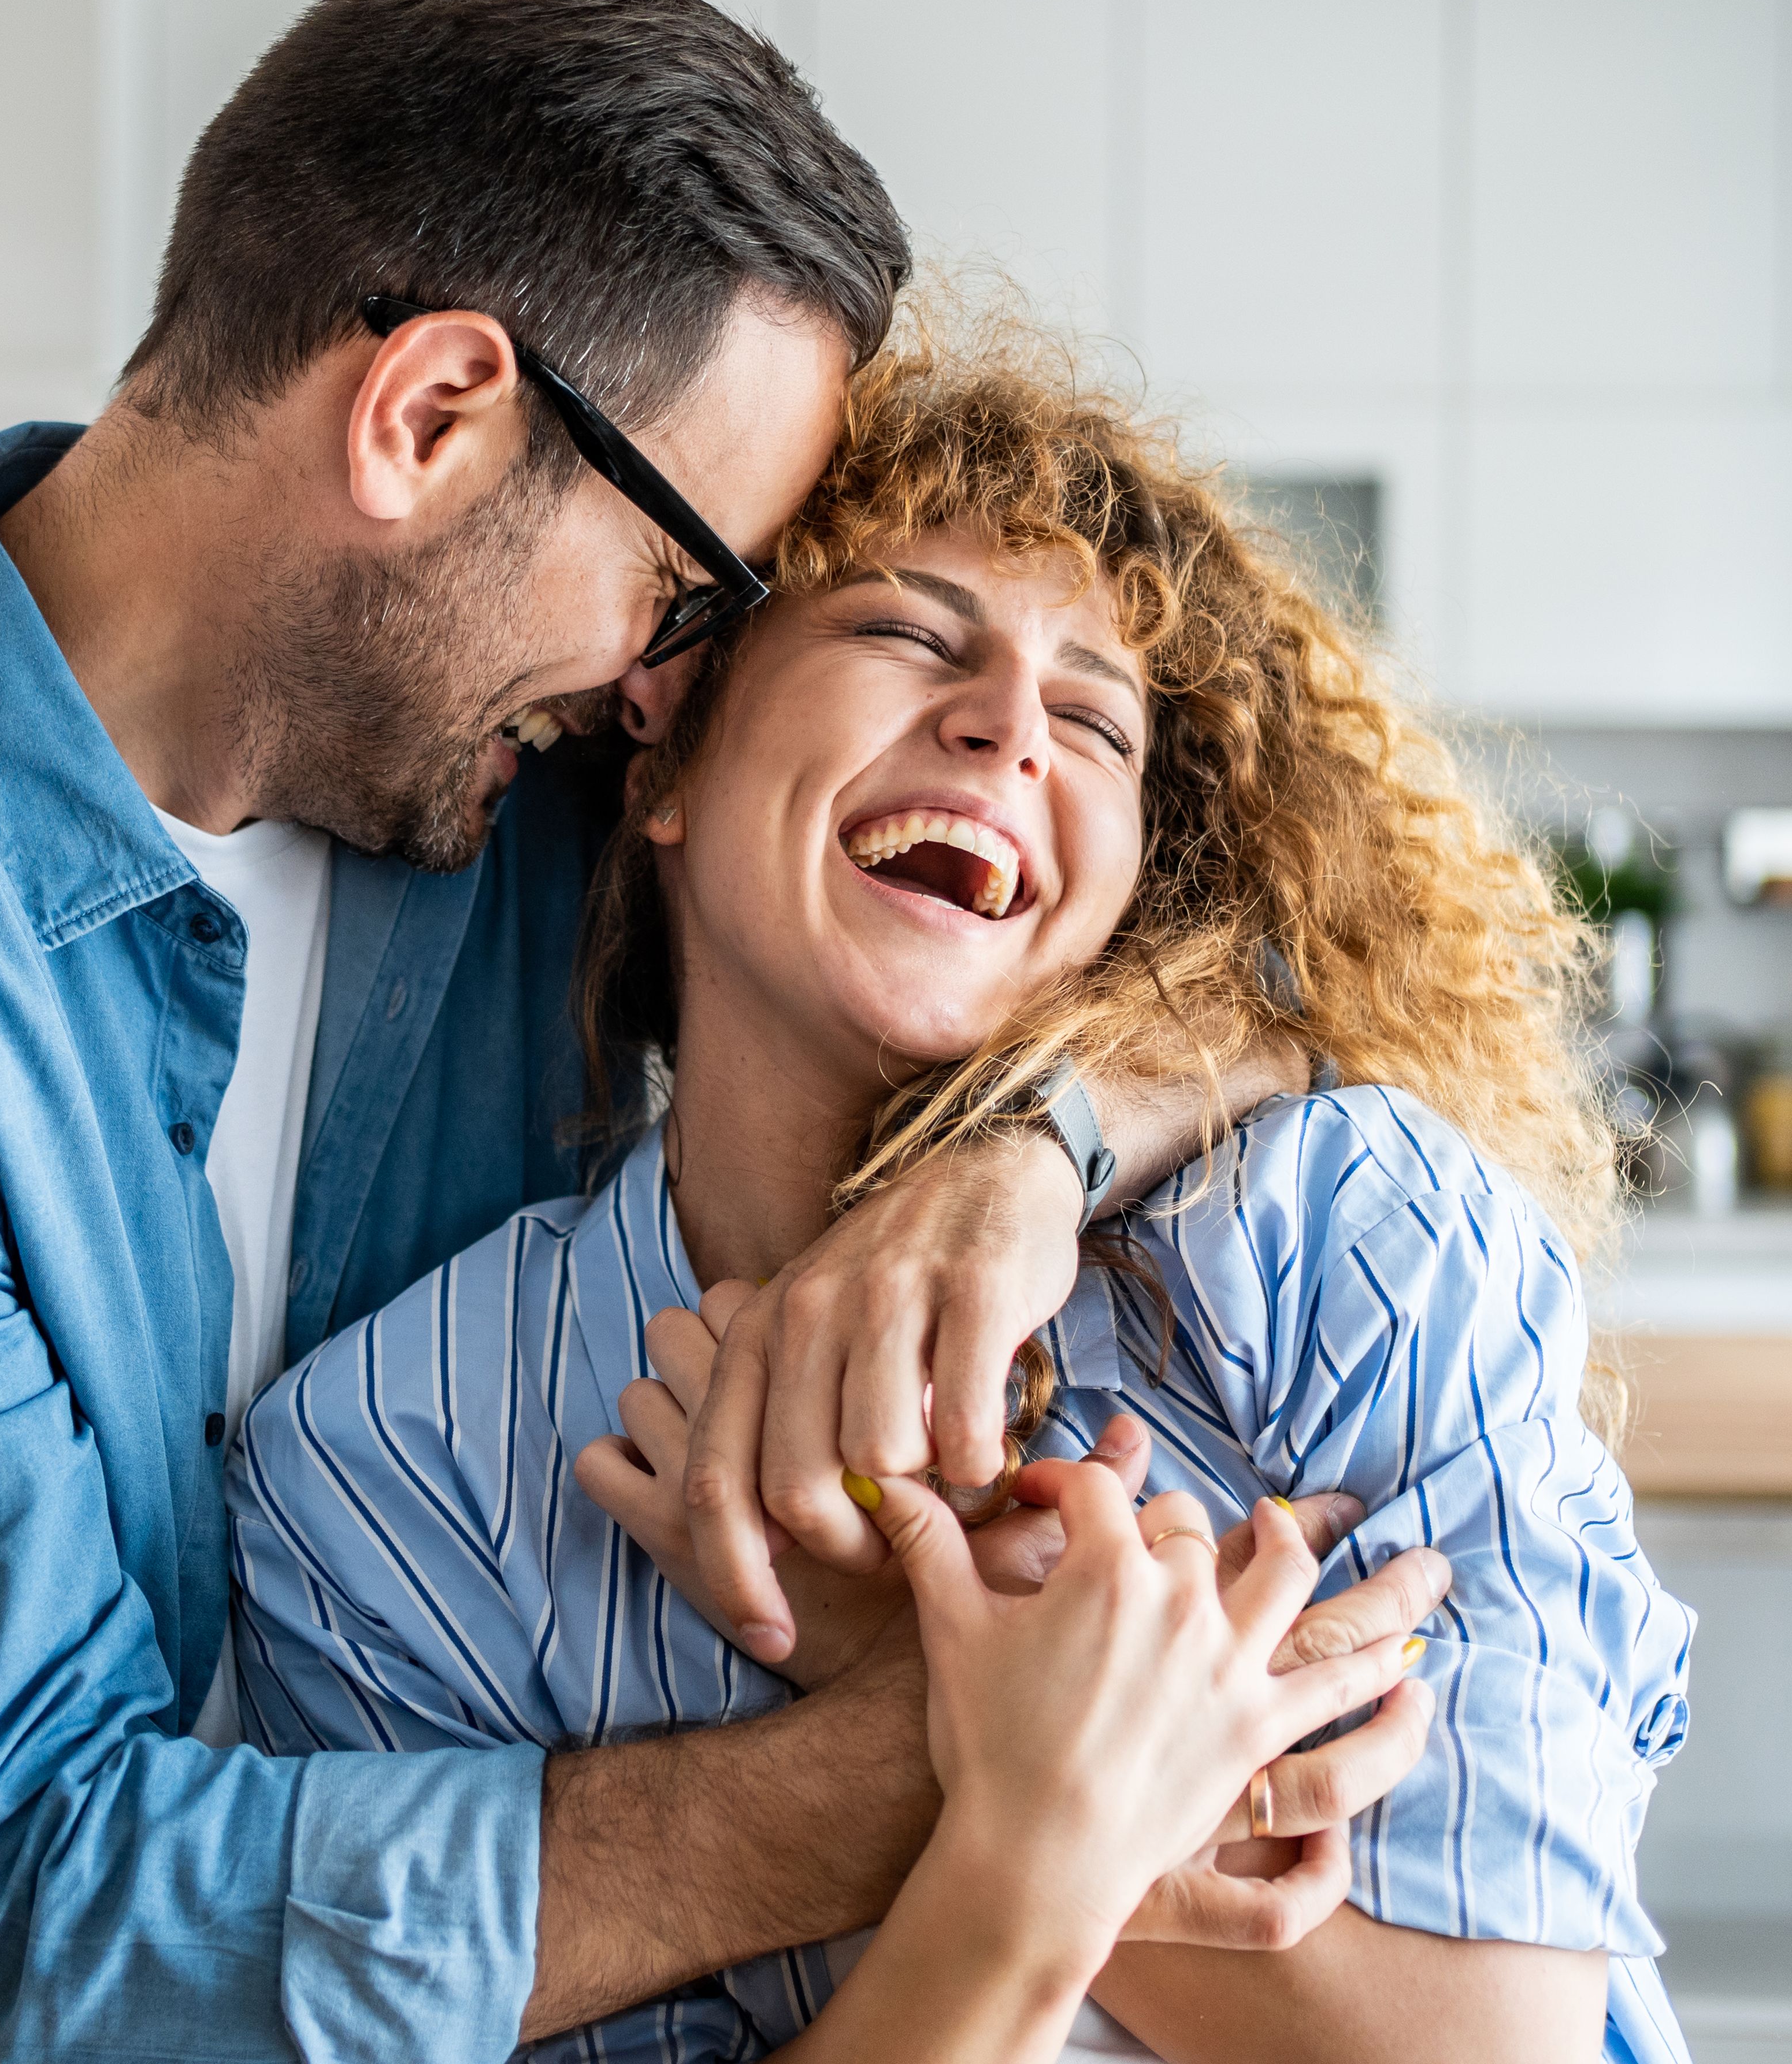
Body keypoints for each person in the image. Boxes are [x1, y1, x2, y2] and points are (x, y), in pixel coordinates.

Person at [0, 0, 1444, 2062]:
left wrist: (1031, 1157)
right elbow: (42, 1940)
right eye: (684, 582)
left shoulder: (515, 796)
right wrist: (1000, 1763)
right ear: (429, 417)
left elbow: (1233, 955)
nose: (679, 676)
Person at [231, 307, 1698, 2060]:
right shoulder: (393, 1471)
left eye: (1098, 723)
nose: (1010, 726)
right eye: (906, 635)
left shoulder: (1345, 1237)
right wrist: (1042, 1811)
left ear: (1137, 880)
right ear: (677, 754)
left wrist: (899, 1665)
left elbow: (1504, 2049)